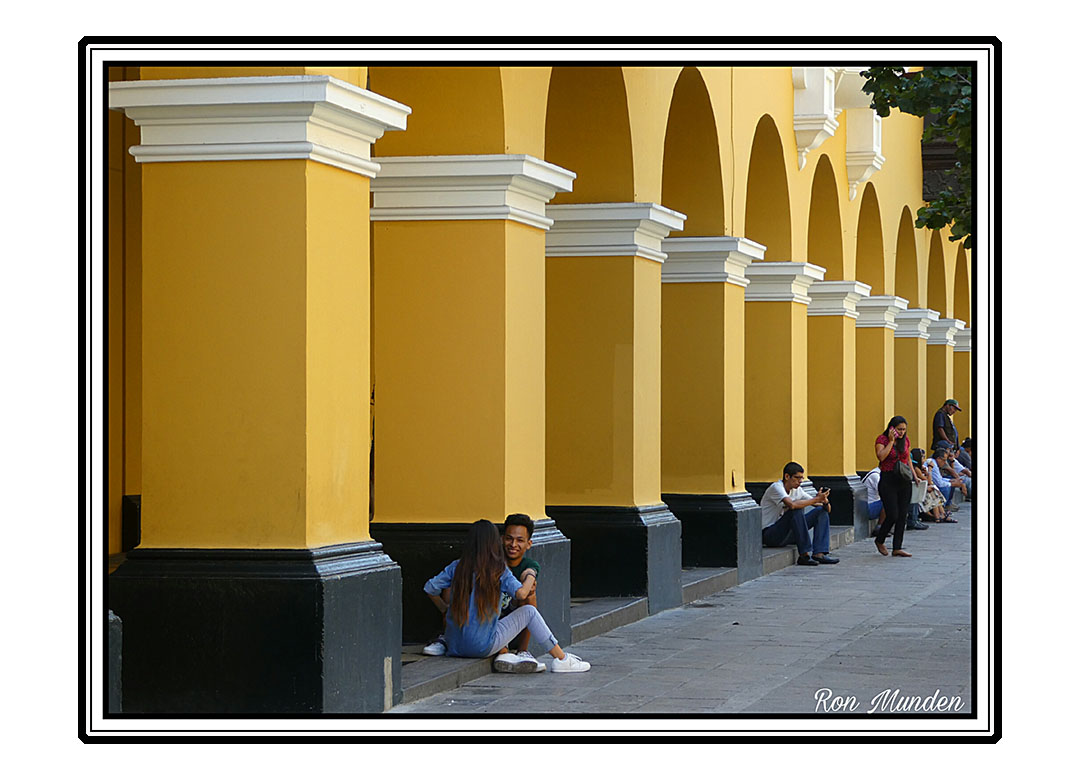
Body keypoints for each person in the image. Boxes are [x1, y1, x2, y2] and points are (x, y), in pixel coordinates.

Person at [423, 519, 590, 673]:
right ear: (495, 542)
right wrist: (531, 575)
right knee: (529, 612)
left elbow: (430, 588)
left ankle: (505, 654)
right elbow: (522, 594)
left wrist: (445, 609)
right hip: (481, 647)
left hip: (454, 647)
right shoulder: (498, 570)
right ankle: (561, 659)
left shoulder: (457, 566)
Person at [760, 461, 838, 565]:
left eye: (801, 478)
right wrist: (816, 499)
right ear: (787, 476)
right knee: (795, 509)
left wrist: (824, 501)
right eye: (797, 478)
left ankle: (819, 553)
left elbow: (826, 509)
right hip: (770, 535)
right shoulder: (776, 487)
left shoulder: (797, 490)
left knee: (820, 511)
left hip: (787, 534)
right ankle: (804, 555)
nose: (800, 481)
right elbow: (792, 505)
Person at [499, 514, 544, 672]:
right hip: (491, 623)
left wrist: (529, 580)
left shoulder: (529, 565)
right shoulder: (494, 562)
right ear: (502, 539)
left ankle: (522, 651)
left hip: (514, 618)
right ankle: (503, 652)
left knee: (530, 596)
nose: (513, 545)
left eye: (520, 540)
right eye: (509, 539)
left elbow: (529, 573)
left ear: (528, 544)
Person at [874, 415, 915, 557]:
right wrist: (891, 441)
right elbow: (881, 456)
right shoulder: (882, 440)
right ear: (892, 428)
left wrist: (914, 475)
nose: (902, 432)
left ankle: (897, 547)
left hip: (903, 479)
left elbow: (908, 458)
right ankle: (880, 540)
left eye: (904, 429)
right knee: (892, 514)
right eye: (899, 429)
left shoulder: (905, 440)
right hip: (888, 479)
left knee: (903, 514)